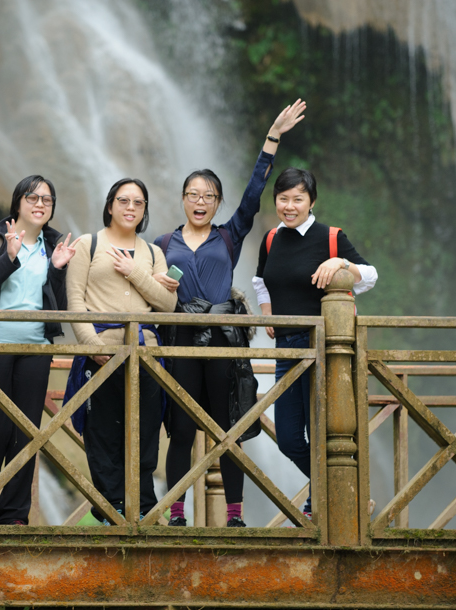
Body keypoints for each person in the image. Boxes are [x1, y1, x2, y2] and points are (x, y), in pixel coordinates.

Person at [154, 99, 307, 528]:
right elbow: (147, 291)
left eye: (208, 196)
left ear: (218, 202)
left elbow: (255, 194)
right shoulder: (163, 244)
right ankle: (178, 512)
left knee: (229, 430)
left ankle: (234, 516)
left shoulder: (229, 235)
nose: (200, 202)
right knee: (183, 429)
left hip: (224, 340)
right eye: (193, 195)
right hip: (182, 340)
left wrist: (272, 138)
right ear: (183, 199)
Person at [253, 168, 377, 520]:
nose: (289, 206)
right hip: (288, 351)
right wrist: (267, 311)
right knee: (290, 437)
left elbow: (370, 275)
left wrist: (340, 261)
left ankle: (320, 503)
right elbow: (261, 279)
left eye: (298, 199)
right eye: (283, 199)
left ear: (311, 201)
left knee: (323, 430)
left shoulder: (331, 237)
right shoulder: (271, 239)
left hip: (325, 348)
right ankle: (343, 493)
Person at [0, 175, 80, 525]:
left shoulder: (55, 245)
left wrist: (58, 271)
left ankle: (15, 514)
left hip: (37, 349)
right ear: (18, 202)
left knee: (26, 431)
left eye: (47, 199)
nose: (40, 204)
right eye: (33, 197)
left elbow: (59, 309)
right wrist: (9, 258)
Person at [65, 178, 178, 523]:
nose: (131, 208)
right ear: (110, 204)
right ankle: (111, 508)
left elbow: (168, 304)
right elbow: (75, 303)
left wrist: (135, 273)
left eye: (138, 203)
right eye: (124, 200)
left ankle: (143, 507)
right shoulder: (89, 244)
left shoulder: (153, 253)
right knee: (103, 432)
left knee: (144, 432)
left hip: (145, 353)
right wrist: (92, 346)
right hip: (101, 351)